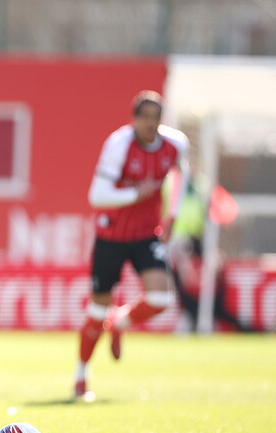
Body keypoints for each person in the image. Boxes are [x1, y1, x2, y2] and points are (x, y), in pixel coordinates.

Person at [74, 90, 190, 400]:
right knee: (97, 309)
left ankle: (121, 321)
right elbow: (96, 196)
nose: (151, 124)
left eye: (156, 118)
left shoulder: (175, 144)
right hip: (111, 234)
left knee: (160, 296)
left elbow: (181, 173)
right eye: (145, 117)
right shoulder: (118, 145)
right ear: (134, 119)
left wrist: (173, 215)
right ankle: (81, 374)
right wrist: (134, 195)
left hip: (145, 234)